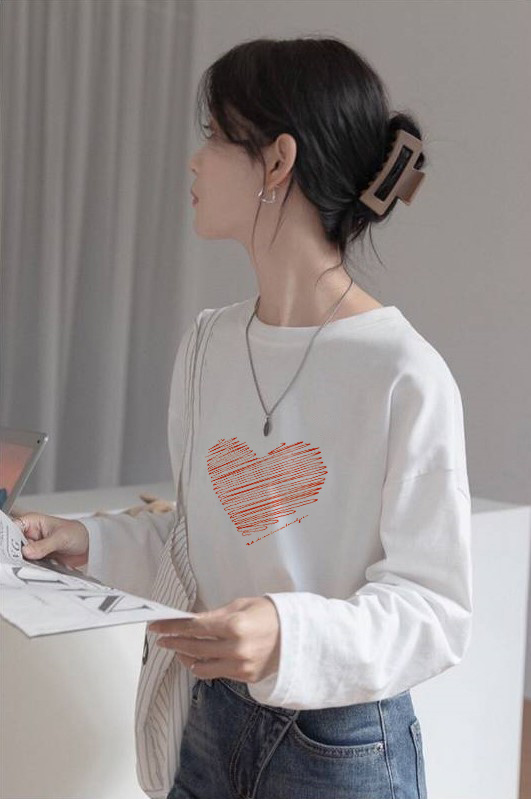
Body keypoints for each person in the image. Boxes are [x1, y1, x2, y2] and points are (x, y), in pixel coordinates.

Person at [14, 35, 472, 799]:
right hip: (208, 720)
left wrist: (288, 634)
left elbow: (434, 610)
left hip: (340, 744)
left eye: (214, 135)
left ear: (276, 160)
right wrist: (89, 540)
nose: (194, 162)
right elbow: (203, 540)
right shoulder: (207, 344)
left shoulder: (401, 371)